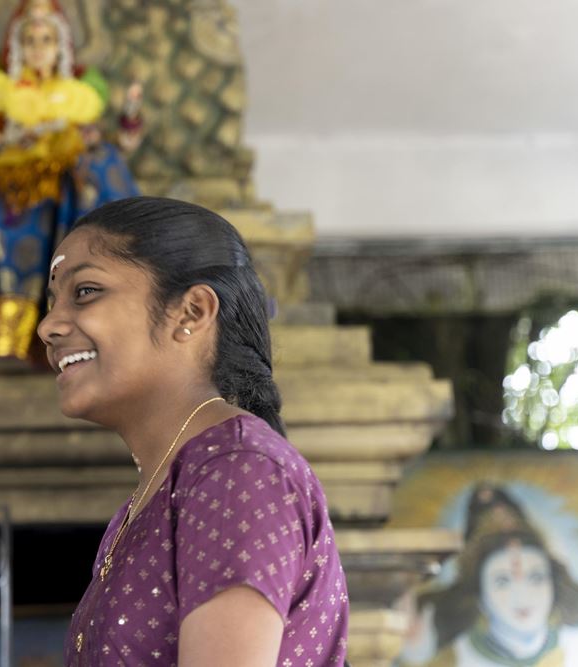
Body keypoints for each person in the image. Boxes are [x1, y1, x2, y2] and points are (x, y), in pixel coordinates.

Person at [37, 196, 350, 665]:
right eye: (52, 301)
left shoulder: (237, 469)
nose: (47, 326)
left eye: (85, 291)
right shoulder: (159, 495)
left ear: (192, 312)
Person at [0, 0, 140, 362]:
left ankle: (107, 287)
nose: (39, 48)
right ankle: (14, 314)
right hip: (18, 173)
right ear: (18, 46)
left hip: (67, 172)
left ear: (61, 46)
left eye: (47, 40)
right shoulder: (3, 91)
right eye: (30, 41)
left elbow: (112, 141)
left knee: (93, 176)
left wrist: (123, 121)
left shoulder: (77, 95)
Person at [401, 483, 578, 666]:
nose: (522, 595)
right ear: (480, 595)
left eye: (536, 578)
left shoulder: (574, 643)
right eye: (502, 581)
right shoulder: (456, 656)